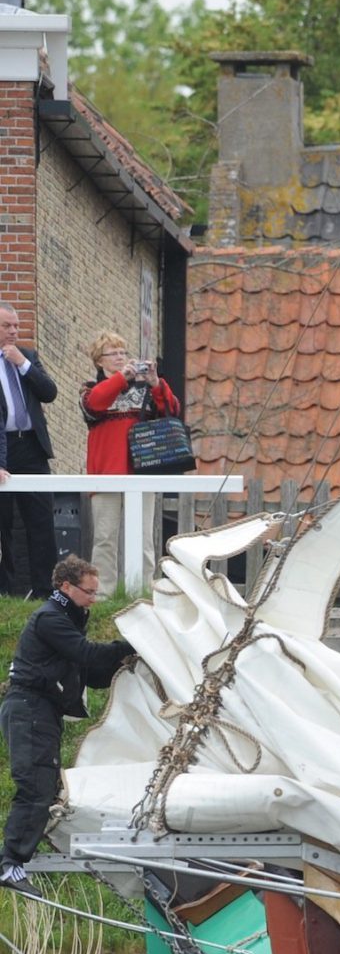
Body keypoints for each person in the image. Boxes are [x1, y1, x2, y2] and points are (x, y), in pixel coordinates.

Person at [2, 556, 136, 891]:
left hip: (40, 711)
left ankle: (17, 855)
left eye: (95, 593)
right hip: (29, 708)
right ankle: (10, 863)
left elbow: (91, 674)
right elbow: (87, 654)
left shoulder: (68, 619)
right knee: (36, 785)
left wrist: (130, 662)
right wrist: (134, 642)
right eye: (89, 592)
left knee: (45, 784)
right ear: (65, 587)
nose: (94, 599)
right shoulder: (50, 618)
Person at [80, 332, 183, 585]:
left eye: (123, 353)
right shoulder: (90, 389)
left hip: (141, 472)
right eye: (113, 353)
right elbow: (94, 405)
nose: (120, 357)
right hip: (106, 474)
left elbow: (172, 410)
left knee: (143, 538)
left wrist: (156, 383)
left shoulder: (144, 389)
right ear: (99, 361)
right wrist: (121, 378)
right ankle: (103, 593)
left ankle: (143, 590)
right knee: (105, 538)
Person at [0, 303, 61, 600]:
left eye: (15, 325)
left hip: (31, 447)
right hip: (3, 448)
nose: (13, 331)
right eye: (6, 326)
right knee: (4, 523)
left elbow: (49, 393)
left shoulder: (28, 357)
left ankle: (45, 591)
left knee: (41, 521)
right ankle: (7, 592)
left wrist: (22, 364)